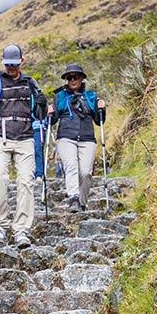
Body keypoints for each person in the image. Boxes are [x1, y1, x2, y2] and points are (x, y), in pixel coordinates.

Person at [0, 44, 46, 249]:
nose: (12, 69)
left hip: (25, 138)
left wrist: (42, 103)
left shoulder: (31, 83)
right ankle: (0, 226)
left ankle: (21, 230)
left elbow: (41, 116)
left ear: (22, 62)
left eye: (15, 65)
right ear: (4, 63)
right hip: (1, 136)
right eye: (8, 65)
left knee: (26, 181)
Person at [48, 63, 106, 213]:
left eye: (76, 77)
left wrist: (102, 109)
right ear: (67, 79)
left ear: (81, 79)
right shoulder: (60, 96)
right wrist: (48, 112)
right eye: (70, 77)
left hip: (87, 138)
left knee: (86, 172)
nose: (73, 80)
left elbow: (99, 121)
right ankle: (73, 198)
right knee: (71, 165)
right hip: (66, 136)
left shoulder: (91, 96)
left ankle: (82, 202)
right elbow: (53, 120)